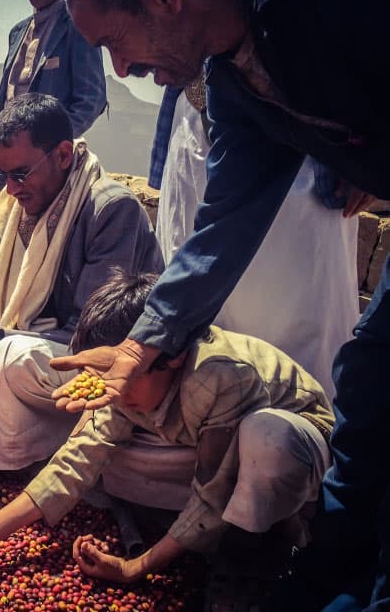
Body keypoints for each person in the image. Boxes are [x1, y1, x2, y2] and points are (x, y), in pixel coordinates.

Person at [58, 0, 389, 612]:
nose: (125, 70)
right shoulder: (235, 87)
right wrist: (136, 350)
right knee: (370, 383)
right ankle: (320, 588)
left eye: (117, 44)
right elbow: (222, 231)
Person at [0, 269, 333, 596]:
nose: (110, 388)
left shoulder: (216, 378)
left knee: (264, 441)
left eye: (117, 376)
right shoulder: (129, 381)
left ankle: (267, 544)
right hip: (209, 433)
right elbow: (74, 461)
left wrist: (136, 567)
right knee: (114, 459)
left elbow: (211, 494)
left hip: (295, 440)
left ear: (167, 358)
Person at [0, 93, 161, 471]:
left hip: (95, 358)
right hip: (34, 335)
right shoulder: (15, 204)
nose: (10, 188)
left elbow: (93, 335)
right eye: (2, 175)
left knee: (11, 355)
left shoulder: (110, 209)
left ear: (62, 155)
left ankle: (15, 463)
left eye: (20, 174)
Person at [153, 78, 360, 399]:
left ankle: (305, 434)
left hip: (302, 149)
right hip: (196, 125)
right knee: (199, 312)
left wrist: (373, 151)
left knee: (303, 323)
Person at [0, 0, 108, 302]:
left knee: (33, 266)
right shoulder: (18, 32)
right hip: (7, 166)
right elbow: (3, 99)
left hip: (44, 171)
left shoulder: (76, 26)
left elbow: (91, 99)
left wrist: (46, 149)